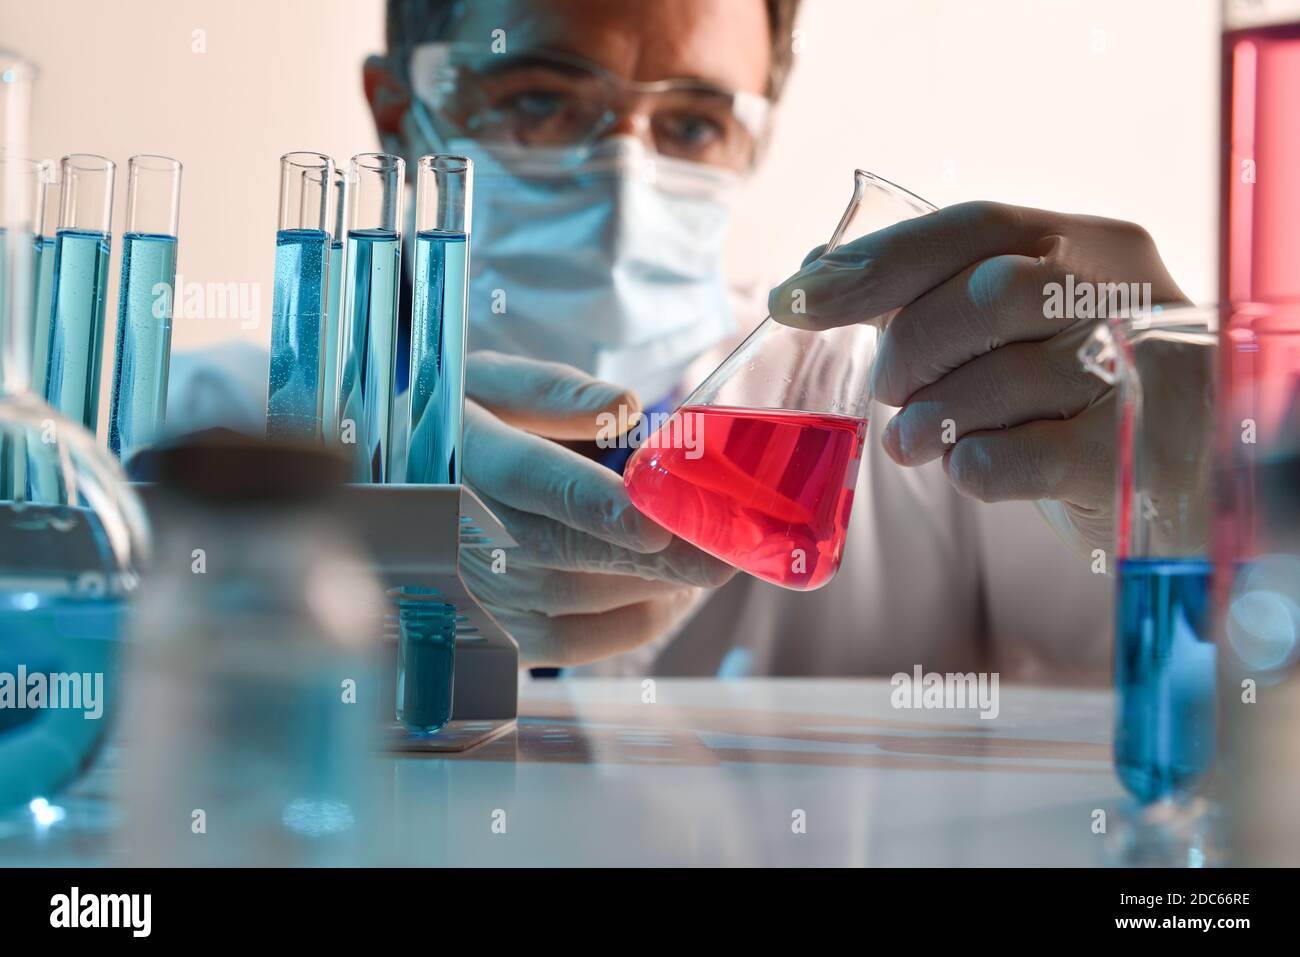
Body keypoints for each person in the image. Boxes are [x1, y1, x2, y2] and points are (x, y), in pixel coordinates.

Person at [173, 0, 1189, 680]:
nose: (624, 175)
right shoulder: (199, 435)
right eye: (539, 100)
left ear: (758, 133)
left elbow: (1238, 721)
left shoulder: (943, 427)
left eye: (694, 123)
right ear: (401, 116)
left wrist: (1196, 489)